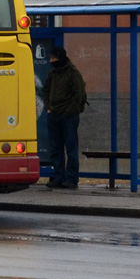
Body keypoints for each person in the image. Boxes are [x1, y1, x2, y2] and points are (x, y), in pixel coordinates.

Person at [42, 46, 87, 189]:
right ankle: (58, 177)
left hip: (68, 117)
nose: (51, 61)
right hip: (54, 115)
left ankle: (71, 178)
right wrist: (49, 108)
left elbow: (78, 94)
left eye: (53, 58)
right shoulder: (52, 74)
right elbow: (45, 90)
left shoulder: (72, 73)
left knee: (71, 148)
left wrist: (68, 111)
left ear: (60, 58)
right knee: (56, 148)